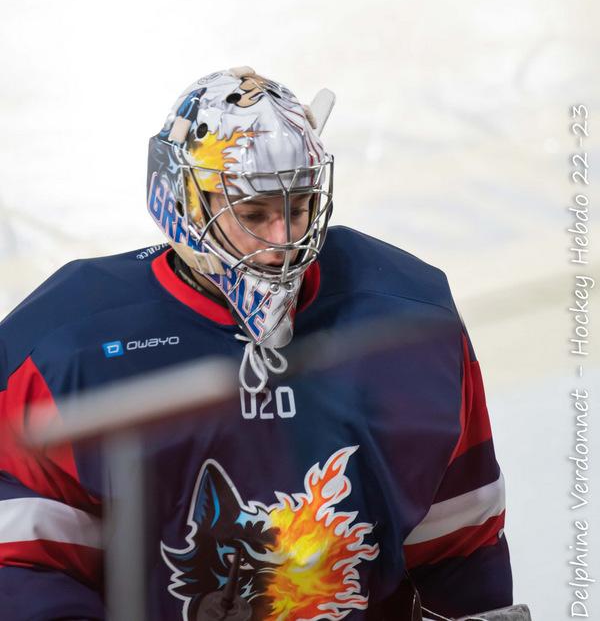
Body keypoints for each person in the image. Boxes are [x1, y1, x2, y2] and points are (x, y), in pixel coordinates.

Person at [0, 67, 514, 621]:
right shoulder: (62, 349)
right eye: (252, 214)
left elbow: (460, 544)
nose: (282, 242)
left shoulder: (411, 321)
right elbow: (24, 565)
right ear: (184, 203)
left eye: (298, 207)